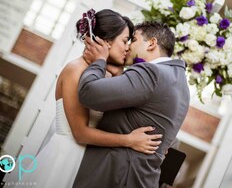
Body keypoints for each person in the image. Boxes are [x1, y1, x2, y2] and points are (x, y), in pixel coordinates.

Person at [17, 10, 162, 188]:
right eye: (125, 41)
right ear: (106, 41)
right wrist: (130, 140)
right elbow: (80, 133)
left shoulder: (107, 74)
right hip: (65, 159)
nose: (127, 48)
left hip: (89, 161)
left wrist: (118, 73)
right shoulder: (75, 70)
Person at [73, 21, 190, 188]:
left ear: (151, 43)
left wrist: (98, 61)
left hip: (116, 175)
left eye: (133, 40)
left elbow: (88, 93)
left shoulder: (152, 72)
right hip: (140, 177)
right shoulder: (180, 83)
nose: (128, 47)